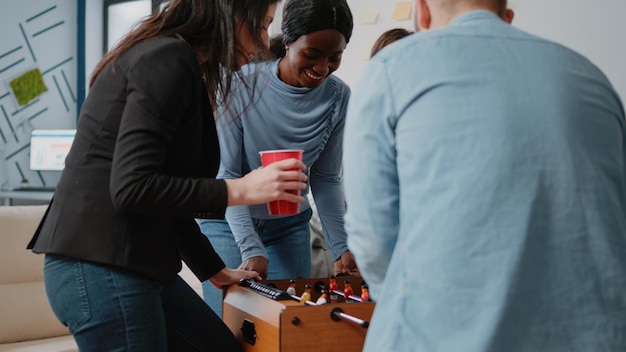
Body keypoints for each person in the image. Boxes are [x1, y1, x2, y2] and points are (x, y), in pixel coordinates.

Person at [26, 0, 310, 351]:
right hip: (102, 263)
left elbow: (161, 196)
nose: (266, 42)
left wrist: (214, 271)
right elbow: (132, 188)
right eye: (263, 24)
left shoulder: (176, 60)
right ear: (231, 14)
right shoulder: (168, 59)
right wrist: (240, 189)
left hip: (133, 262)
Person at [342, 0, 626, 351]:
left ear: (423, 12)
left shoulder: (390, 69)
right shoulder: (591, 76)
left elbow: (372, 239)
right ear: (506, 17)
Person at [199, 0, 356, 318]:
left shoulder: (338, 97)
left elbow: (324, 179)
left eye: (334, 58)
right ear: (287, 43)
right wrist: (251, 247)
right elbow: (227, 173)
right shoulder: (240, 84)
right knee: (228, 328)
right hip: (226, 224)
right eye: (312, 55)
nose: (322, 67)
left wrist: (341, 247)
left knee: (290, 326)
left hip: (288, 228)